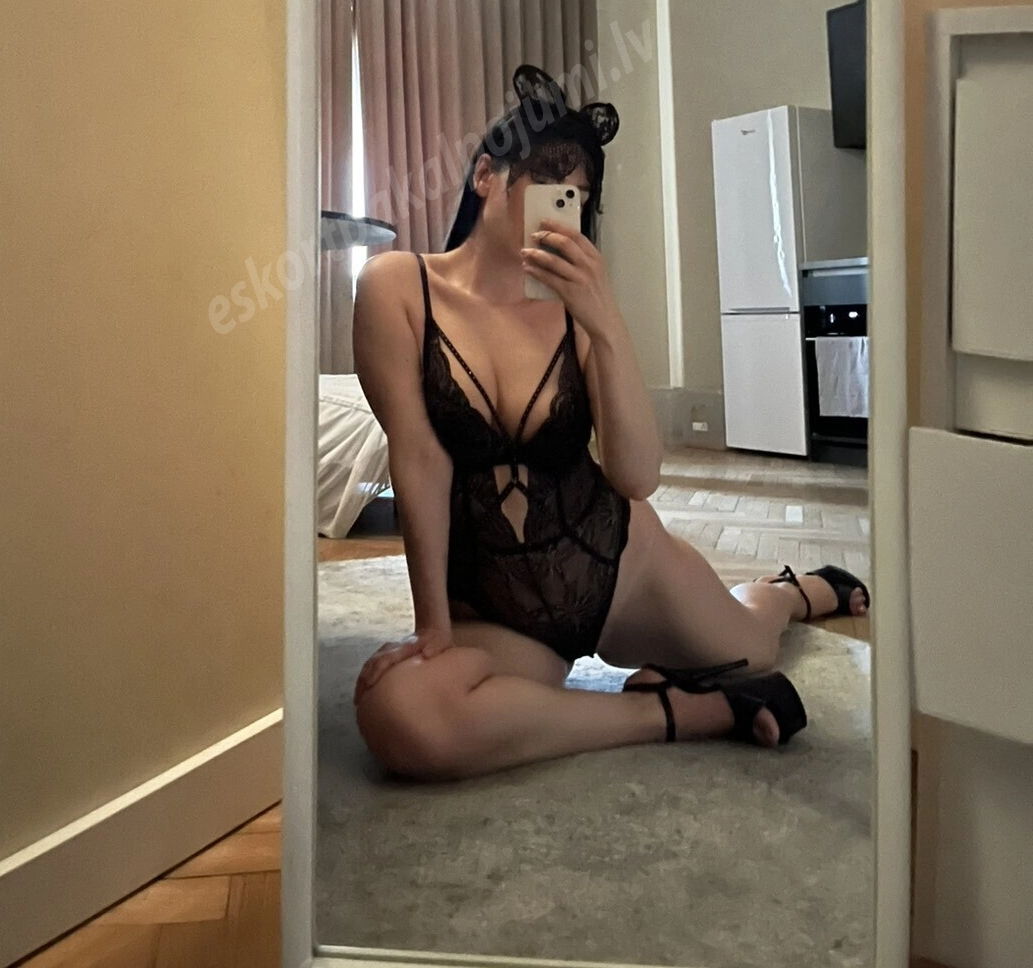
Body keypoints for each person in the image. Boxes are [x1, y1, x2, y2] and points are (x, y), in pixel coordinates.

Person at [351, 64, 869, 782]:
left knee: (752, 647)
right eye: (545, 181)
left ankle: (792, 590)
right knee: (405, 716)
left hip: (619, 564)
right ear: (485, 176)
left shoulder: (576, 313)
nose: (560, 207)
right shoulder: (396, 286)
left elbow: (635, 474)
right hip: (494, 610)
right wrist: (432, 625)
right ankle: (686, 713)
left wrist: (606, 321)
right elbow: (418, 456)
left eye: (577, 195)